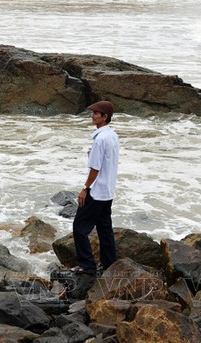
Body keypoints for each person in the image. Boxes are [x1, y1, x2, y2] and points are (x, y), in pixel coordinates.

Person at [72, 101, 120, 276]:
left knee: (79, 227)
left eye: (95, 113)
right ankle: (109, 262)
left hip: (97, 191)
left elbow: (95, 168)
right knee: (104, 228)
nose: (92, 116)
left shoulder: (100, 139)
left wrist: (85, 188)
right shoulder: (113, 136)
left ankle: (87, 265)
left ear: (104, 117)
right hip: (108, 190)